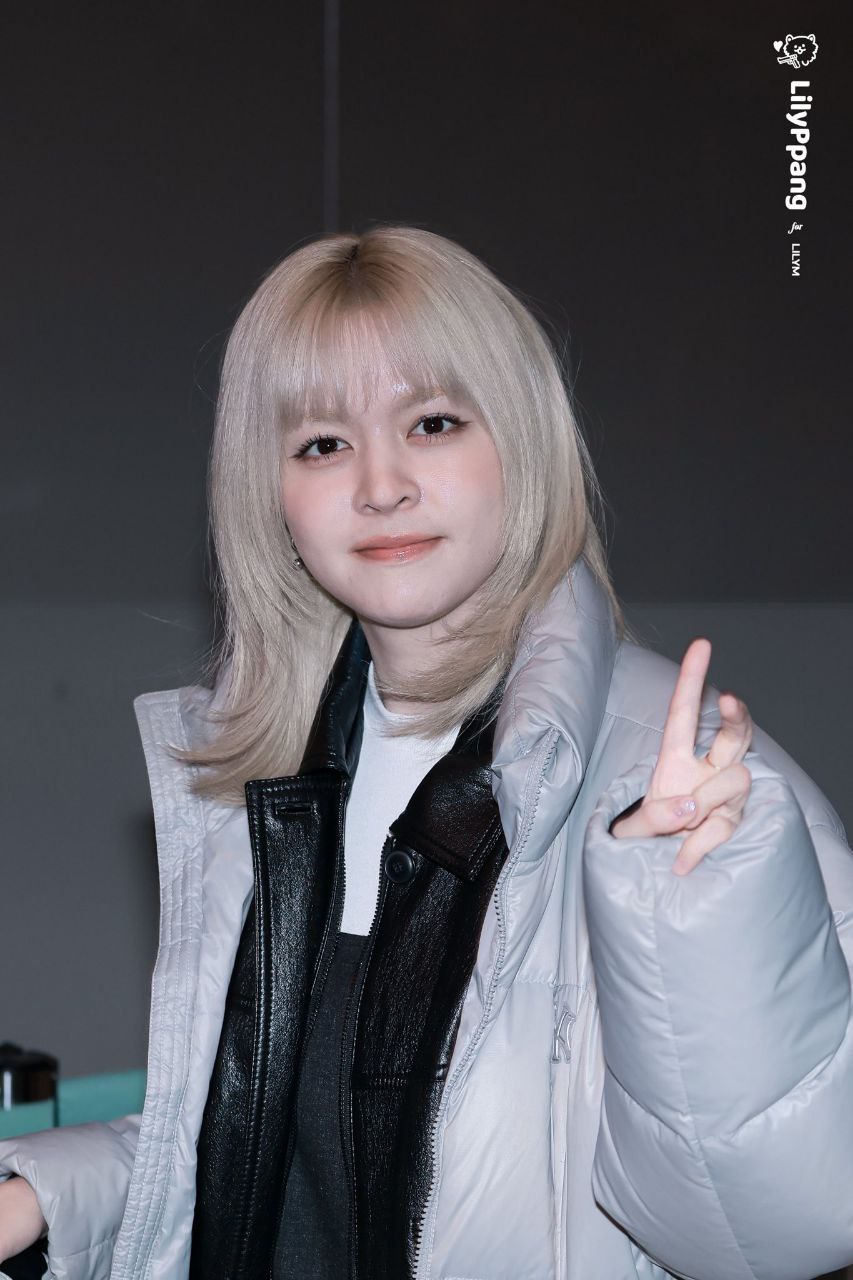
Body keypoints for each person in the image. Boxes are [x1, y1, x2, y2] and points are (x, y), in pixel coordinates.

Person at [1, 224, 851, 1280]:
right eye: (323, 444)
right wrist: (41, 1196)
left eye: (433, 423)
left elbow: (779, 1228)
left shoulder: (685, 781)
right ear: (268, 490)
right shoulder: (276, 770)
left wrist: (688, 918)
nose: (381, 485)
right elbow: (278, 1157)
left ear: (522, 445)